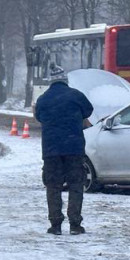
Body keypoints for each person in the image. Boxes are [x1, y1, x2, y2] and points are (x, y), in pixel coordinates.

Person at [33, 64, 94, 235]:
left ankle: (55, 225)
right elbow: (88, 111)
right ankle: (75, 224)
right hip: (74, 148)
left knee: (53, 186)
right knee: (76, 184)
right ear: (65, 80)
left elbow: (38, 116)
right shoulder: (76, 96)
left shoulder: (43, 99)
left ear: (50, 82)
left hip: (51, 150)